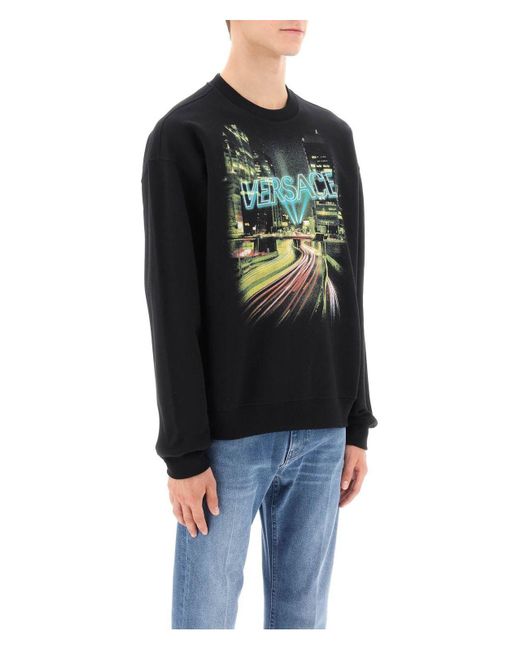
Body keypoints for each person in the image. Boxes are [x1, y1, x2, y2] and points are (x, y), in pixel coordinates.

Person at [141, 19, 378, 629]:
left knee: (304, 623)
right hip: (226, 442)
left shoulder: (333, 136)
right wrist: (184, 452)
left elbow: (349, 286)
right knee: (204, 623)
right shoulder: (184, 135)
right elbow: (171, 306)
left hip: (324, 431)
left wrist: (357, 419)